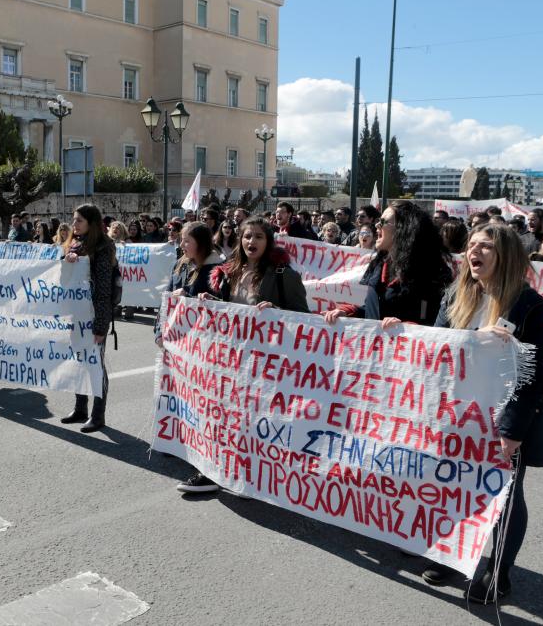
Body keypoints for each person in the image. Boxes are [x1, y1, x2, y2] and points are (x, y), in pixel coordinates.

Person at [420, 224, 543, 603]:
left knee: (505, 496)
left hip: (503, 420)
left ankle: (499, 570)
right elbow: (436, 348)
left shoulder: (528, 307)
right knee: (454, 485)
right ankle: (453, 555)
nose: (474, 252)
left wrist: (511, 432)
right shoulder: (455, 295)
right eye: (472, 245)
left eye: (486, 246)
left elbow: (533, 378)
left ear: (505, 256)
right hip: (458, 415)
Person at [178, 217, 309, 494]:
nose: (252, 242)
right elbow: (230, 311)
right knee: (220, 417)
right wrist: (210, 303)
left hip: (264, 364)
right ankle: (212, 470)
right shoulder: (228, 271)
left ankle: (252, 476)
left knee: (254, 423)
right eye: (248, 236)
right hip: (229, 361)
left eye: (259, 237)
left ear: (268, 241)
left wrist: (275, 311)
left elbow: (304, 320)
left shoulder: (284, 274)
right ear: (240, 239)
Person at [324, 200, 452, 328]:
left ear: (403, 228)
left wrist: (407, 328)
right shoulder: (380, 264)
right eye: (378, 221)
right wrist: (349, 312)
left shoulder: (431, 272)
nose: (377, 225)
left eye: (383, 222)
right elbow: (373, 311)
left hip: (407, 346)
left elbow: (439, 323)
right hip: (377, 345)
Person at [59, 204, 116, 433]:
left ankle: (97, 414)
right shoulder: (76, 244)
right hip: (77, 315)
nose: (74, 225)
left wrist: (101, 325)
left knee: (95, 366)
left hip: (94, 316)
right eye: (73, 220)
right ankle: (80, 408)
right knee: (79, 362)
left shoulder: (103, 247)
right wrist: (68, 260)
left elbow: (104, 290)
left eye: (78, 221)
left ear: (91, 224)